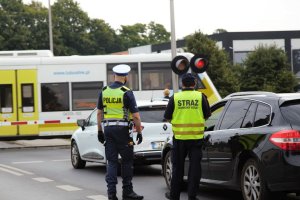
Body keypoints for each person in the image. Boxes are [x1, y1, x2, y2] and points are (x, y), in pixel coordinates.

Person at [97, 64, 144, 200]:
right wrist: (139, 132)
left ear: (114, 76)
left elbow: (99, 113)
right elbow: (136, 116)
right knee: (127, 161)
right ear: (126, 77)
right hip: (123, 131)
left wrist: (100, 131)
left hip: (108, 130)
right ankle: (127, 191)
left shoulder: (104, 91)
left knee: (111, 162)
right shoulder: (126, 92)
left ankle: (111, 194)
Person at [164, 73, 211, 200]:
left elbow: (167, 117)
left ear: (182, 84)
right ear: (194, 84)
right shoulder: (201, 97)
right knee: (195, 168)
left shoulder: (175, 97)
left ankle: (174, 196)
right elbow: (207, 115)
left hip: (179, 139)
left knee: (177, 168)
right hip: (196, 139)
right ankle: (192, 196)